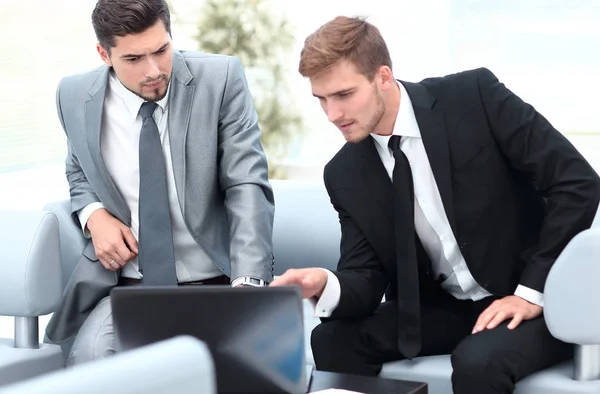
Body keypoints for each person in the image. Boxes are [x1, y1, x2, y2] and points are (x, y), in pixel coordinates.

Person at [271, 16, 600, 393]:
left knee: (478, 363)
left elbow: (577, 184)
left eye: (344, 95)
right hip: (443, 308)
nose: (332, 115)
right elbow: (364, 276)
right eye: (321, 100)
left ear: (383, 77)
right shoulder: (345, 172)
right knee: (331, 340)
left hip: (527, 296)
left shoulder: (475, 96)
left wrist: (530, 293)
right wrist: (323, 283)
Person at [45, 0, 275, 365]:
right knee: (88, 365)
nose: (153, 70)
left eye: (161, 50)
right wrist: (94, 215)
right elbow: (79, 170)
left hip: (216, 284)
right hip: (128, 288)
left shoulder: (220, 79)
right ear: (104, 53)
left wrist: (247, 284)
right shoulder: (73, 95)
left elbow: (245, 183)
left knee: (242, 373)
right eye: (134, 59)